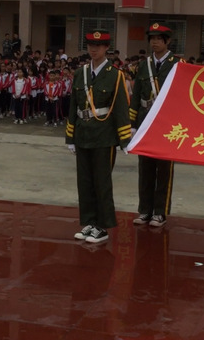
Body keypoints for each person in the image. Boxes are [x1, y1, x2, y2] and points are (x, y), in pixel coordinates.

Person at [66, 29, 131, 244]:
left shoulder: (115, 75)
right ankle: (89, 223)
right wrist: (70, 136)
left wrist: (124, 140)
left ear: (106, 48)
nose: (94, 49)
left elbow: (121, 108)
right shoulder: (80, 73)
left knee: (101, 182)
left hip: (104, 136)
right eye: (91, 46)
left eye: (99, 46)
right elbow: (74, 106)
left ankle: (102, 226)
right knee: (84, 182)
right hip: (83, 133)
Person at [129, 23, 179, 228]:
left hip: (167, 123)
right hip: (145, 121)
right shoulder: (144, 65)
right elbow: (136, 96)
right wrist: (132, 124)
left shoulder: (178, 64)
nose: (155, 42)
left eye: (159, 38)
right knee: (146, 167)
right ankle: (145, 210)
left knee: (164, 169)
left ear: (167, 41)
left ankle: (160, 212)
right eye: (152, 38)